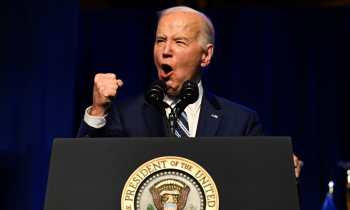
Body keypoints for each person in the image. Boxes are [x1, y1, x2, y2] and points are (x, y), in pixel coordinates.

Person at [77, 6, 301, 178]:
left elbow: (263, 194)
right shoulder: (124, 115)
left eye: (179, 42)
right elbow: (87, 175)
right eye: (160, 40)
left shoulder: (240, 122)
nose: (166, 51)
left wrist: (284, 177)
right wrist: (98, 110)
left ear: (206, 55)